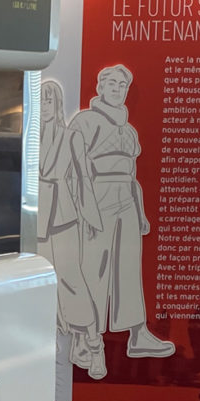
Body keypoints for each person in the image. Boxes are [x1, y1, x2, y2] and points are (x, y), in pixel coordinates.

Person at [69, 64, 174, 361]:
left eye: (122, 85)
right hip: (98, 201)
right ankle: (82, 340)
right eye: (111, 83)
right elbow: (77, 172)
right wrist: (86, 211)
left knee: (128, 269)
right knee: (94, 270)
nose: (117, 89)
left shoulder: (128, 130)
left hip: (126, 202)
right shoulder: (85, 121)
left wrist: (140, 212)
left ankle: (138, 334)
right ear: (100, 87)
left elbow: (132, 175)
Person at [37, 79, 106, 379]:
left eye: (49, 100)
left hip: (65, 217)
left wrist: (91, 218)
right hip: (37, 221)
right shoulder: (29, 139)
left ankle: (94, 345)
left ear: (58, 103)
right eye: (40, 100)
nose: (45, 106)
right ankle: (47, 341)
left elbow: (84, 181)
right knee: (41, 282)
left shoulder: (71, 137)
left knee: (71, 281)